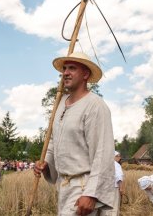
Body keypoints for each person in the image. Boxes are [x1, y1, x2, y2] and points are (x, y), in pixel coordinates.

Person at [34, 51, 115, 216]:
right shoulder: (61, 103)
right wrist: (46, 164)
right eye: (64, 69)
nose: (65, 73)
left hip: (84, 188)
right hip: (64, 187)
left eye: (72, 68)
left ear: (85, 74)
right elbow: (54, 140)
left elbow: (103, 153)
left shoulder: (95, 106)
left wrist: (91, 194)